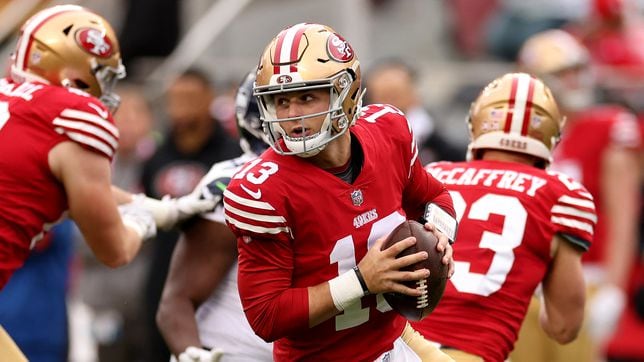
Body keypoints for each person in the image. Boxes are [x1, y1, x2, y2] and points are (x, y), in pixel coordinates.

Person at [222, 23, 457, 361]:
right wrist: (361, 281)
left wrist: (441, 237)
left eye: (306, 97)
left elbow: (435, 197)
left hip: (393, 339)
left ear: (345, 92)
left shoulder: (388, 132)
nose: (292, 116)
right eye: (281, 101)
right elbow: (266, 315)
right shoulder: (262, 189)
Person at [0, 5, 212, 358]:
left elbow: (56, 187)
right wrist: (143, 223)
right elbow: (114, 250)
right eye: (102, 74)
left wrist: (148, 205)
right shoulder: (73, 121)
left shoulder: (10, 99)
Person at [411, 72, 596, 361]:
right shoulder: (562, 194)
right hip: (471, 354)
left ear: (476, 123)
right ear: (551, 135)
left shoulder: (434, 173)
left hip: (398, 348)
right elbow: (563, 327)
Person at [512, 29, 642, 361]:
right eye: (562, 73)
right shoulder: (522, 139)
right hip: (525, 282)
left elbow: (623, 215)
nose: (573, 80)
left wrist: (614, 288)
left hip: (587, 277)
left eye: (577, 69)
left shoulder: (608, 126)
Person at [157, 71, 273, 362]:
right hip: (240, 353)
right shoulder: (241, 183)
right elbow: (177, 300)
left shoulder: (360, 170)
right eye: (287, 102)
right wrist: (191, 353)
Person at [140, 68, 242, 362]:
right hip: (165, 273)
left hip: (215, 279)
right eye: (175, 99)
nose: (180, 107)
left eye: (189, 98)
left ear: (208, 99)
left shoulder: (230, 156)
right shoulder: (156, 155)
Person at [365, 58, 466, 164]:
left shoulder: (434, 139)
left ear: (414, 95)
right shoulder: (362, 142)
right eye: (386, 96)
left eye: (397, 94)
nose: (391, 105)